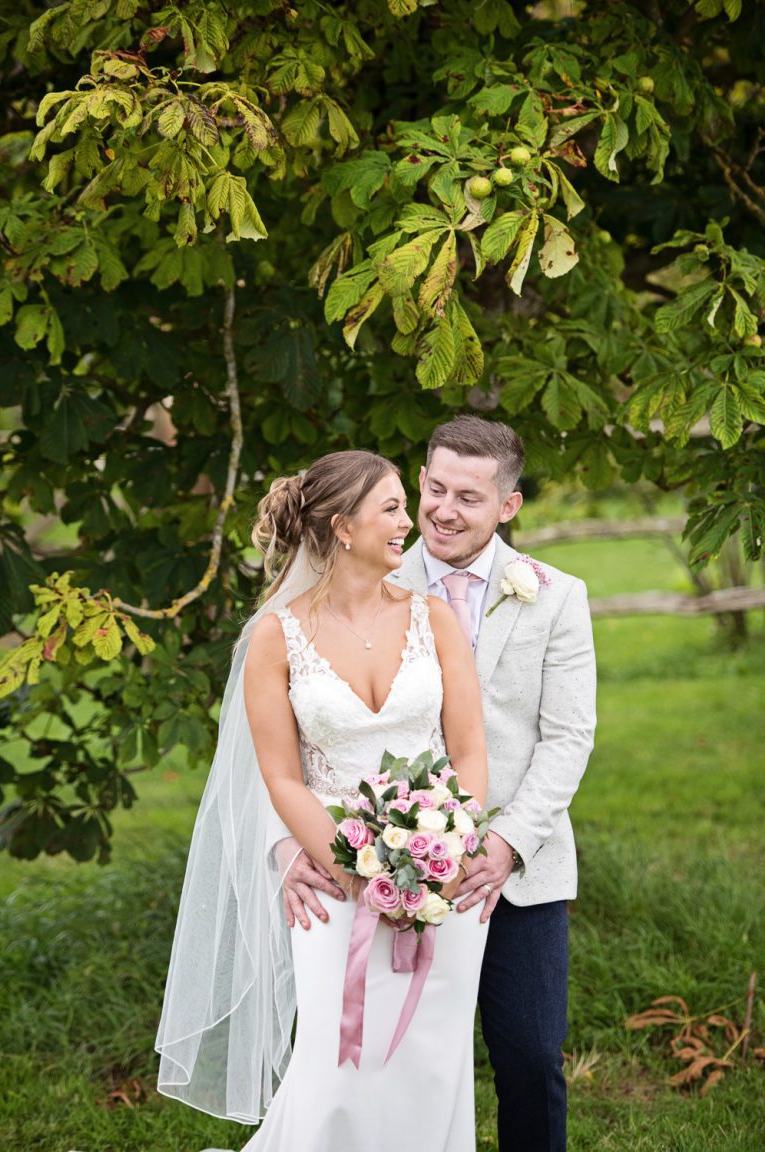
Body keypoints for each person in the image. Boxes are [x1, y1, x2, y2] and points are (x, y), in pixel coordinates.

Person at [156, 449, 490, 1151]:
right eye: (392, 509)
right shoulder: (276, 637)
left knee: (434, 1061)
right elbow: (281, 776)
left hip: (442, 877)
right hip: (331, 883)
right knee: (334, 1066)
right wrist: (354, 871)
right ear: (342, 527)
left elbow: (469, 752)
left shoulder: (434, 618)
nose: (409, 522)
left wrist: (448, 855)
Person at [280, 417, 597, 1152]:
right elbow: (293, 737)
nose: (444, 511)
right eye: (436, 489)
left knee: (530, 1057)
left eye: (470, 498)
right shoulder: (367, 573)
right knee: (383, 1064)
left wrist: (504, 843)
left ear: (509, 507)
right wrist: (286, 847)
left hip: (514, 869)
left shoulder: (556, 595)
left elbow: (568, 737)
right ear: (419, 480)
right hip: (376, 868)